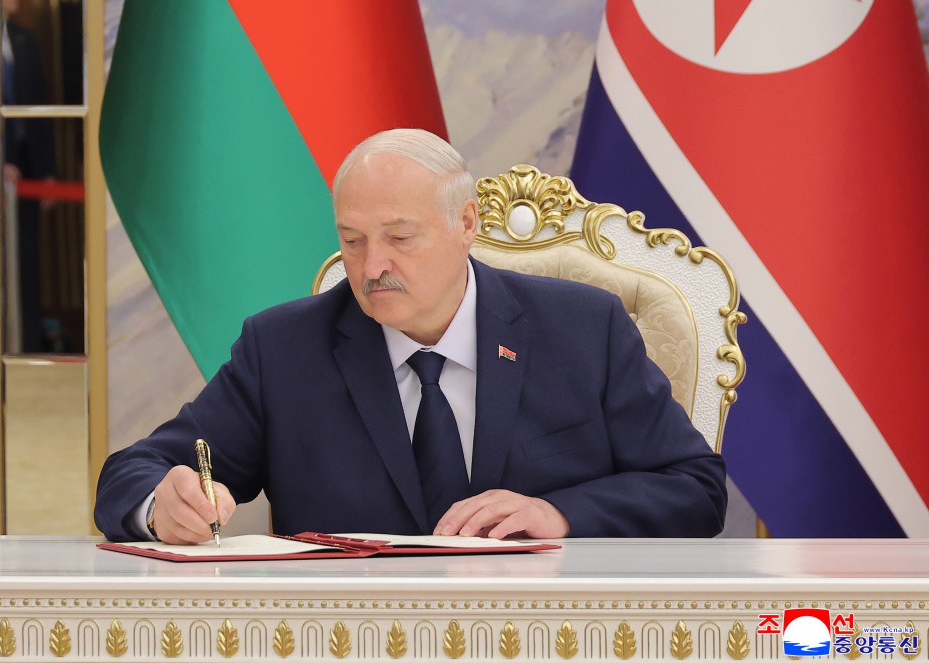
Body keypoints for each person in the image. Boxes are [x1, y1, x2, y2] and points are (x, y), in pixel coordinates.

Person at [94, 129, 727, 544]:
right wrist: (161, 505)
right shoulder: (284, 349)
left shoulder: (583, 329)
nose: (371, 267)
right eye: (352, 240)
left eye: (400, 238)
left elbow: (694, 489)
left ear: (466, 223)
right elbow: (133, 472)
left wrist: (559, 514)